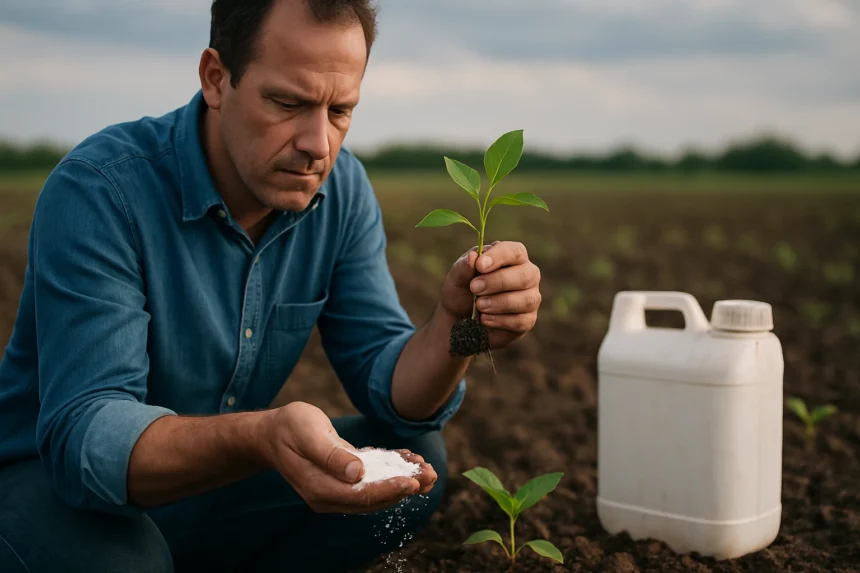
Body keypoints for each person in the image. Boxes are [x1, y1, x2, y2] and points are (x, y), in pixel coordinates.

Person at [0, 0, 543, 571]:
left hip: (208, 492)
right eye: (288, 103)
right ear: (216, 78)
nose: (318, 144)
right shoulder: (104, 191)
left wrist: (460, 332)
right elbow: (88, 440)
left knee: (410, 468)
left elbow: (393, 392)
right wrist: (261, 437)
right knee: (122, 560)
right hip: (49, 491)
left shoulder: (342, 191)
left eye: (340, 110)